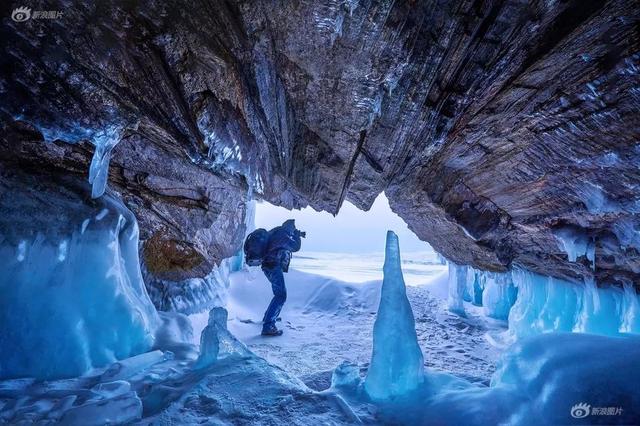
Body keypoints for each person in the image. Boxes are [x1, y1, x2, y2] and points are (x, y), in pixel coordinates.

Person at [260, 219, 305, 336]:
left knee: (278, 294)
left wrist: (294, 234)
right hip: (273, 266)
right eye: (294, 228)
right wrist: (297, 236)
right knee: (281, 296)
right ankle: (268, 326)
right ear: (290, 228)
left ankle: (268, 317)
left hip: (267, 266)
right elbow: (295, 247)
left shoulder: (276, 232)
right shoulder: (283, 236)